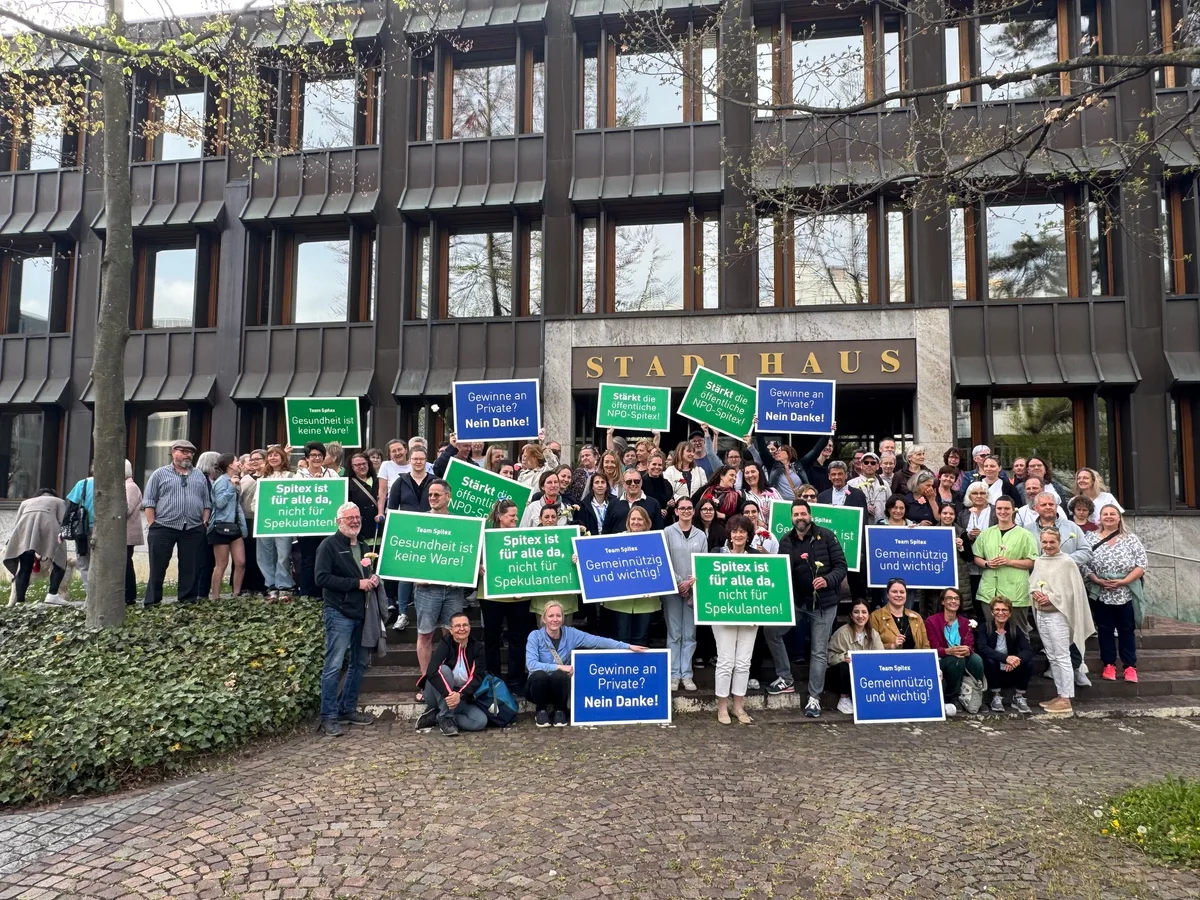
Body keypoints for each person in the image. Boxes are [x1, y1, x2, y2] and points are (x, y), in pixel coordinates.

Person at [772, 499, 848, 715]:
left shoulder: (826, 536)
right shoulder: (786, 540)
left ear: (810, 515)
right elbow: (782, 572)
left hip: (824, 604)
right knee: (772, 633)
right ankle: (785, 677)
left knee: (818, 651)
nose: (800, 518)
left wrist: (827, 581)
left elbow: (841, 566)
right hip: (797, 602)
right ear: (791, 518)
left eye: (803, 514)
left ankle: (814, 697)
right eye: (796, 515)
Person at [314, 502, 378, 736]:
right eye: (349, 518)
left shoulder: (362, 546)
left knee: (359, 663)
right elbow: (321, 578)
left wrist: (373, 579)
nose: (354, 521)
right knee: (333, 666)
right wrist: (357, 584)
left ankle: (347, 708)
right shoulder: (328, 546)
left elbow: (364, 575)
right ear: (338, 522)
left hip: (362, 613)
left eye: (357, 517)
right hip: (339, 613)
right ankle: (329, 716)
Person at [525, 601, 643, 726]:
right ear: (544, 619)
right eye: (551, 616)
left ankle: (561, 710)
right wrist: (560, 666)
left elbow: (598, 641)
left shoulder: (571, 634)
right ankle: (541, 711)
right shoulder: (535, 636)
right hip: (537, 689)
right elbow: (531, 664)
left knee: (559, 675)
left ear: (563, 618)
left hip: (559, 687)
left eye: (558, 616)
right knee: (539, 675)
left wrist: (627, 646)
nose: (555, 619)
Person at [1031, 527, 1096, 715]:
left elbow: (1071, 592)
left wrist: (1050, 597)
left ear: (1059, 542)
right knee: (1052, 656)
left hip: (1059, 614)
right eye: (1045, 542)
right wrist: (1035, 593)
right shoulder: (1039, 561)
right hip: (1042, 612)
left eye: (1052, 542)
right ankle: (1059, 694)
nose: (1048, 545)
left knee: (1062, 656)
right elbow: (1033, 583)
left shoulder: (1067, 562)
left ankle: (1066, 697)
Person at [413, 479, 468, 698]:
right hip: (427, 590)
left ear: (448, 496)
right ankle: (427, 683)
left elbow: (466, 552)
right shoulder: (420, 521)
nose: (433, 498)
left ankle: (450, 681)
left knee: (453, 634)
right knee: (425, 635)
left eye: (437, 495)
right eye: (430, 495)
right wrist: (414, 576)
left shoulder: (461, 523)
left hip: (453, 590)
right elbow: (410, 553)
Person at [1082, 505, 1146, 683]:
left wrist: (1124, 581)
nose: (1109, 517)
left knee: (1126, 629)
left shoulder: (1130, 539)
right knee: (1105, 629)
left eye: (1112, 514)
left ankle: (1130, 666)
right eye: (1105, 514)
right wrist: (1096, 579)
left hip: (1126, 591)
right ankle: (1108, 664)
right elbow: (1083, 563)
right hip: (1101, 591)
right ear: (1099, 518)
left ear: (1119, 518)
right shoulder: (1090, 538)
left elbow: (1141, 564)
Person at [142, 439, 211, 606]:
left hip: (193, 528)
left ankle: (187, 601)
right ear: (173, 452)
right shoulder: (159, 474)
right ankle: (152, 602)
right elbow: (149, 501)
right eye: (183, 451)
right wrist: (152, 525)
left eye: (190, 452)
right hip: (163, 527)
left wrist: (205, 521)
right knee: (158, 567)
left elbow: (206, 501)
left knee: (190, 567)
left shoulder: (199, 475)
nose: (187, 454)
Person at [479, 500, 534, 692]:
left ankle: (515, 681)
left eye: (516, 515)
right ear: (501, 516)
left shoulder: (523, 536)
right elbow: (471, 559)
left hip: (519, 597)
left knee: (518, 639)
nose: (516, 519)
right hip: (491, 595)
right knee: (492, 638)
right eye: (512, 515)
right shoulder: (485, 536)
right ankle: (493, 679)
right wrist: (477, 568)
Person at [714, 515, 764, 724]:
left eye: (742, 531)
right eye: (735, 531)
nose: (738, 535)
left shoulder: (757, 557)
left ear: (748, 534)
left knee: (743, 662)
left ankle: (738, 706)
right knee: (726, 661)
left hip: (750, 614)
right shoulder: (716, 554)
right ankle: (722, 707)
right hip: (723, 614)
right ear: (730, 534)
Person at [414, 611, 489, 736]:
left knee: (480, 721)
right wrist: (449, 695)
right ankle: (446, 718)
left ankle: (437, 717)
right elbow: (432, 670)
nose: (461, 629)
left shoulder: (477, 647)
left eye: (465, 625)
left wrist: (459, 695)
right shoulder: (446, 643)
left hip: (461, 696)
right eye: (457, 626)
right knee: (444, 670)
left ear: (470, 628)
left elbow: (477, 676)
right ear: (451, 629)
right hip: (436, 693)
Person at [973, 495, 1037, 631]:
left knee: (1019, 631)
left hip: (1015, 592)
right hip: (989, 591)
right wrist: (987, 564)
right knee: (991, 631)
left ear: (1013, 510)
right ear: (995, 510)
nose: (1003, 512)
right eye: (999, 508)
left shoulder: (1025, 535)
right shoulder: (986, 534)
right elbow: (976, 557)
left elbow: (1032, 562)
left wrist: (1010, 561)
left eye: (1007, 508)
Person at [386, 446, 432, 631]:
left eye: (421, 459)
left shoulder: (435, 481)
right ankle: (403, 612)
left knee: (429, 572)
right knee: (406, 574)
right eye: (415, 459)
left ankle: (427, 613)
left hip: (430, 533)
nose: (418, 462)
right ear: (410, 460)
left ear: (426, 461)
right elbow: (391, 509)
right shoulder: (400, 481)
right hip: (407, 533)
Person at [663, 495, 707, 691]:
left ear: (693, 511)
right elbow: (664, 560)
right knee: (674, 633)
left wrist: (691, 583)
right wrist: (679, 582)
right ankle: (673, 674)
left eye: (689, 508)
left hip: (693, 591)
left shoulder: (701, 535)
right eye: (682, 508)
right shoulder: (667, 532)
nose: (686, 511)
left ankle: (686, 674)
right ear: (676, 511)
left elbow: (703, 563)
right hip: (672, 589)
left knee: (690, 633)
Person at [604, 506, 661, 644]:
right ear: (628, 521)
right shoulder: (616, 540)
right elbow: (601, 563)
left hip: (647, 600)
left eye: (640, 519)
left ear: (646, 522)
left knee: (640, 638)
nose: (636, 522)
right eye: (633, 518)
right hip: (620, 600)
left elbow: (661, 567)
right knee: (621, 639)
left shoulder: (656, 540)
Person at [925, 587, 985, 715]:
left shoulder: (965, 622)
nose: (954, 601)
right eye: (949, 598)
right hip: (943, 658)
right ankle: (952, 696)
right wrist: (948, 651)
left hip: (961, 656)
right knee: (956, 660)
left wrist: (967, 650)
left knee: (976, 659)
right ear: (942, 602)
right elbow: (933, 647)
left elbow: (970, 644)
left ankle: (977, 695)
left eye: (957, 599)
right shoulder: (932, 621)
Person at [3, 489, 68, 606]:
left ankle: (20, 601)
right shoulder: (59, 501)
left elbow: (17, 523)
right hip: (50, 528)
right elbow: (63, 522)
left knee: (24, 567)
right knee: (59, 559)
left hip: (25, 531)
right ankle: (52, 594)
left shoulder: (25, 502)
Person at [294, 441, 341, 599]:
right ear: (307, 458)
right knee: (308, 560)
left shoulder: (332, 474)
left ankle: (325, 593)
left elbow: (337, 495)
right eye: (313, 455)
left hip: (327, 525)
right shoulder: (299, 475)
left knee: (327, 560)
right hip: (306, 526)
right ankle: (307, 594)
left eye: (320, 455)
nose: (316, 458)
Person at [974, 596, 1034, 713]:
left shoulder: (1014, 629)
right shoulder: (985, 628)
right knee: (990, 661)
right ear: (992, 612)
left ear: (1010, 613)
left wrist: (1016, 659)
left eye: (1004, 610)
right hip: (992, 671)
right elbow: (983, 648)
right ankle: (995, 696)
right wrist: (1005, 658)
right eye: (997, 610)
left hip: (1010, 671)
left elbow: (1028, 650)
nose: (1001, 613)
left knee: (1029, 663)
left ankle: (1019, 697)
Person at [826, 599, 884, 714]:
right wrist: (843, 657)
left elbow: (881, 657)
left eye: (864, 612)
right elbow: (829, 658)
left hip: (862, 676)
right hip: (839, 677)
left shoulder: (874, 634)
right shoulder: (842, 633)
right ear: (851, 615)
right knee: (844, 666)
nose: (860, 616)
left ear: (868, 615)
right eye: (856, 612)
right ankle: (844, 699)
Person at [257, 445, 296, 600]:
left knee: (283, 554)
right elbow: (256, 501)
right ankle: (271, 585)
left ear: (282, 457)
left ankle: (284, 586)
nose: (273, 458)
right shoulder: (263, 478)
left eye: (276, 455)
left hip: (283, 521)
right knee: (265, 554)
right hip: (265, 521)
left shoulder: (291, 476)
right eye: (270, 455)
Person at [207, 454, 247, 600]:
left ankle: (236, 594)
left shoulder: (236, 480)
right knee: (221, 564)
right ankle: (215, 596)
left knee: (241, 562)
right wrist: (231, 487)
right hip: (220, 526)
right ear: (230, 465)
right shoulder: (222, 482)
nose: (239, 463)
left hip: (235, 526)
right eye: (237, 461)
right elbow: (219, 503)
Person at [868, 578, 931, 650]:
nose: (898, 595)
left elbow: (926, 646)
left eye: (902, 592)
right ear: (887, 595)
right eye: (894, 592)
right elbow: (871, 647)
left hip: (915, 660)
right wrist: (892, 646)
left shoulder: (916, 617)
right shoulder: (875, 616)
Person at [938, 501, 976, 615]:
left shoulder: (961, 533)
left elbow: (969, 558)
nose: (948, 516)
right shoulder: (931, 531)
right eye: (945, 513)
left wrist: (961, 547)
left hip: (958, 579)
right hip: (938, 578)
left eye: (951, 514)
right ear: (939, 514)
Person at [237, 449, 266, 596]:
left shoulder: (270, 477)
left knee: (263, 555)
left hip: (265, 520)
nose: (254, 461)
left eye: (258, 459)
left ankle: (262, 586)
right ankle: (247, 586)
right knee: (248, 554)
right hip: (248, 520)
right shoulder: (245, 479)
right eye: (252, 459)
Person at [65, 467, 95, 597]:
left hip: (82, 529)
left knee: (84, 563)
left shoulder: (82, 484)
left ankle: (91, 597)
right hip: (104, 528)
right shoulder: (113, 485)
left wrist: (64, 529)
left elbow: (71, 508)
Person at [346, 451, 384, 547]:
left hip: (379, 532)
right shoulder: (348, 484)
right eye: (357, 465)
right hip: (360, 534)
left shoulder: (379, 481)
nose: (361, 467)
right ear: (352, 467)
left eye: (364, 464)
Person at [849, 451, 889, 523]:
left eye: (873, 463)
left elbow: (890, 504)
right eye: (866, 462)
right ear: (861, 465)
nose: (869, 465)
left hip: (881, 525)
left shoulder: (884, 484)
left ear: (877, 466)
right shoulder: (851, 484)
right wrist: (864, 508)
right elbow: (847, 506)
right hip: (860, 524)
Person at [664, 441, 706, 508]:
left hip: (696, 509)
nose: (692, 454)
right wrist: (683, 502)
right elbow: (668, 492)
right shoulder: (670, 471)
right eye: (689, 451)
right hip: (677, 508)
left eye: (693, 452)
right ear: (680, 452)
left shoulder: (700, 471)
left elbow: (704, 491)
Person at [573, 472, 615, 537]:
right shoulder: (583, 505)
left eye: (603, 482)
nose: (600, 485)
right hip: (591, 541)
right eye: (597, 482)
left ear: (607, 486)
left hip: (611, 540)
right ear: (592, 487)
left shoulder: (615, 502)